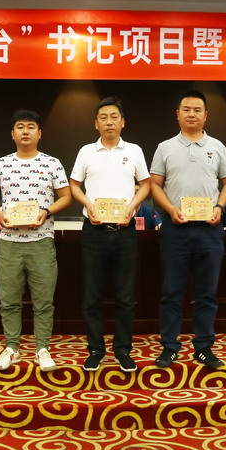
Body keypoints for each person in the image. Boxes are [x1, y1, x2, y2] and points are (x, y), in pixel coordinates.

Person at [149, 90, 226, 369]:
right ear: (177, 114)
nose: (191, 114)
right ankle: (169, 346)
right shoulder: (165, 147)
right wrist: (169, 208)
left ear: (205, 115)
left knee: (207, 292)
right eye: (186, 109)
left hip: (210, 229)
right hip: (175, 228)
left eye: (197, 110)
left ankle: (204, 347)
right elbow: (154, 184)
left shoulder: (217, 146)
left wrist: (220, 207)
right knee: (172, 291)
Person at [0, 110, 71, 372]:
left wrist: (47, 212)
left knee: (44, 301)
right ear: (13, 134)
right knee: (9, 300)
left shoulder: (52, 163)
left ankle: (42, 348)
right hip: (9, 241)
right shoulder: (1, 164)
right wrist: (0, 214)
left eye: (31, 127)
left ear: (39, 133)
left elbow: (66, 196)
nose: (26, 131)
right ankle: (12, 348)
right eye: (20, 127)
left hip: (41, 241)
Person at [69, 96, 151, 372]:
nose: (109, 122)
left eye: (114, 117)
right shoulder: (86, 152)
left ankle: (123, 349)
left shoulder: (135, 151)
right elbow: (74, 184)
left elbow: (145, 184)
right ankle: (95, 349)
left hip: (125, 230)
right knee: (91, 296)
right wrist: (88, 205)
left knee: (126, 297)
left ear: (123, 122)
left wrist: (132, 207)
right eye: (103, 118)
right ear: (96, 123)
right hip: (93, 231)